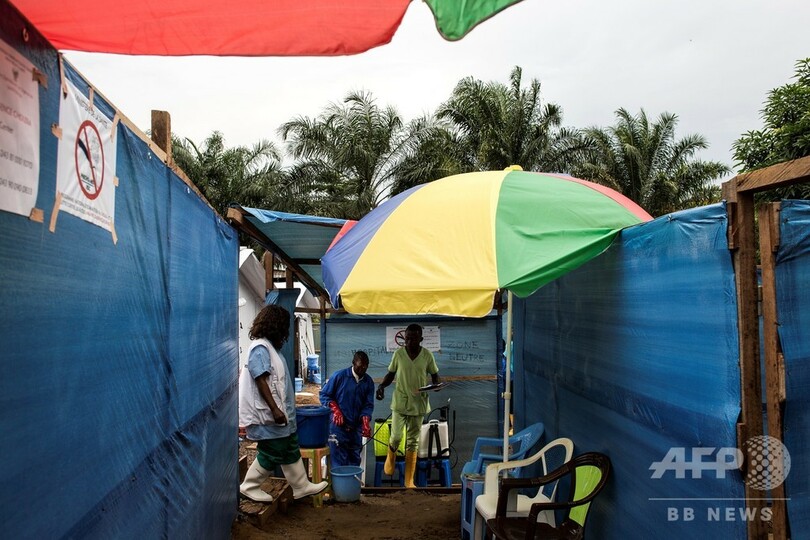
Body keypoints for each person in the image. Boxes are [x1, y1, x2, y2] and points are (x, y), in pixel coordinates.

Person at [238, 304, 328, 502]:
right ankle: (249, 486)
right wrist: (275, 409)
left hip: (281, 413)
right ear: (276, 325)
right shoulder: (261, 348)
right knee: (274, 449)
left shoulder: (271, 348)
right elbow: (260, 379)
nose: (287, 331)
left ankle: (301, 485)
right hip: (268, 414)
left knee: (289, 446)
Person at [375, 324, 440, 488]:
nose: (409, 342)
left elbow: (435, 376)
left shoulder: (427, 356)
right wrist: (381, 386)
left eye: (413, 339)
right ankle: (391, 457)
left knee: (413, 441)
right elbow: (390, 374)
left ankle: (409, 481)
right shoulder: (398, 354)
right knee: (396, 436)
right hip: (400, 402)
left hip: (419, 403)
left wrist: (437, 385)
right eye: (407, 338)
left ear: (421, 339)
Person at [319, 351, 375, 467]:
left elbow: (368, 405)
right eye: (360, 366)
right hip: (337, 428)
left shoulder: (368, 382)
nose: (362, 370)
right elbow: (324, 395)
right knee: (338, 463)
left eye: (365, 367)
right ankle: (338, 479)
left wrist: (365, 421)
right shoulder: (339, 376)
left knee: (354, 461)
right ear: (353, 363)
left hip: (356, 429)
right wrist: (335, 410)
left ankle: (352, 479)